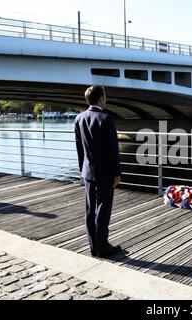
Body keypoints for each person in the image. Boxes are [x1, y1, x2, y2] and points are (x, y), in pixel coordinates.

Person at [74, 85, 122, 258]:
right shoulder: (106, 118)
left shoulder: (79, 118)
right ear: (101, 98)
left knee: (89, 209)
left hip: (87, 172)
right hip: (105, 173)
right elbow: (112, 150)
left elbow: (80, 149)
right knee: (103, 209)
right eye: (105, 96)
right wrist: (117, 173)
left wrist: (82, 170)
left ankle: (94, 247)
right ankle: (103, 247)